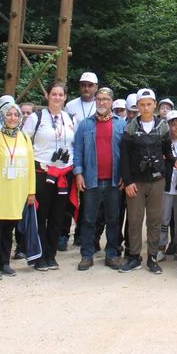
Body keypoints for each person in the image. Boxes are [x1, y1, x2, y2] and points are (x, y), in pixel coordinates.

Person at [118, 88, 174, 274]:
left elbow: (168, 153)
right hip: (136, 181)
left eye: (149, 104)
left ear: (155, 105)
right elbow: (124, 157)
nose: (146, 107)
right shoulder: (130, 127)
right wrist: (127, 181)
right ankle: (134, 256)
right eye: (142, 104)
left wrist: (173, 164)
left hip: (157, 180)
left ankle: (152, 256)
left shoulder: (163, 126)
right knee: (134, 219)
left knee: (155, 219)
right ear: (137, 106)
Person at [22, 81, 75, 271]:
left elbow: (74, 144)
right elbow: (24, 143)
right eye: (54, 94)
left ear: (65, 97)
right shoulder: (36, 117)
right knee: (41, 214)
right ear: (47, 96)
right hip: (42, 172)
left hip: (64, 174)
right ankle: (39, 255)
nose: (57, 98)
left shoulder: (69, 118)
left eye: (61, 95)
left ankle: (51, 255)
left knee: (58, 215)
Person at [0, 99, 36, 279]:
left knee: (9, 230)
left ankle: (5, 262)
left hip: (17, 192)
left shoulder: (25, 138)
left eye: (16, 114)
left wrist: (31, 191)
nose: (12, 118)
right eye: (9, 114)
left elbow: (30, 167)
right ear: (2, 117)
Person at [73, 87, 126, 271]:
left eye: (105, 99)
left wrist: (124, 177)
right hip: (91, 180)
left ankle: (112, 254)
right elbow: (77, 150)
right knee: (88, 219)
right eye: (99, 99)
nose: (102, 102)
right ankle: (86, 255)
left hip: (113, 180)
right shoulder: (85, 124)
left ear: (112, 102)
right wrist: (78, 173)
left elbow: (126, 154)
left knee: (113, 219)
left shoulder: (121, 124)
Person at [160, 110, 177, 260]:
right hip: (166, 186)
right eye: (173, 124)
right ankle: (160, 247)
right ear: (168, 125)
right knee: (163, 219)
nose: (176, 127)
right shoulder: (163, 142)